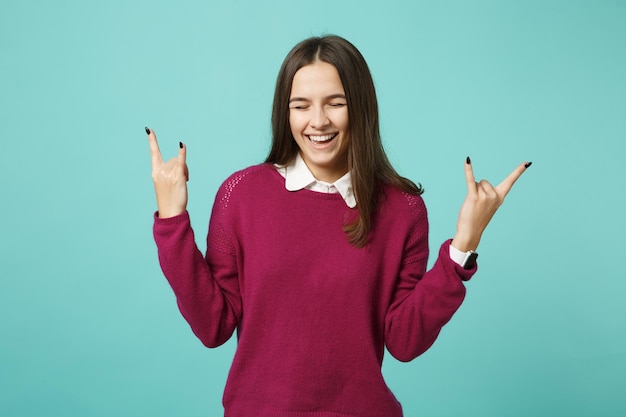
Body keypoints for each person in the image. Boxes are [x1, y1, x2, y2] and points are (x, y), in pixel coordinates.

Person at [145, 35, 530, 417]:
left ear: (359, 108)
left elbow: (404, 340)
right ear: (285, 112)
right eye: (301, 106)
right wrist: (172, 221)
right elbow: (213, 325)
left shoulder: (403, 208)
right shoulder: (241, 195)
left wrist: (463, 245)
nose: (318, 121)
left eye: (336, 103)